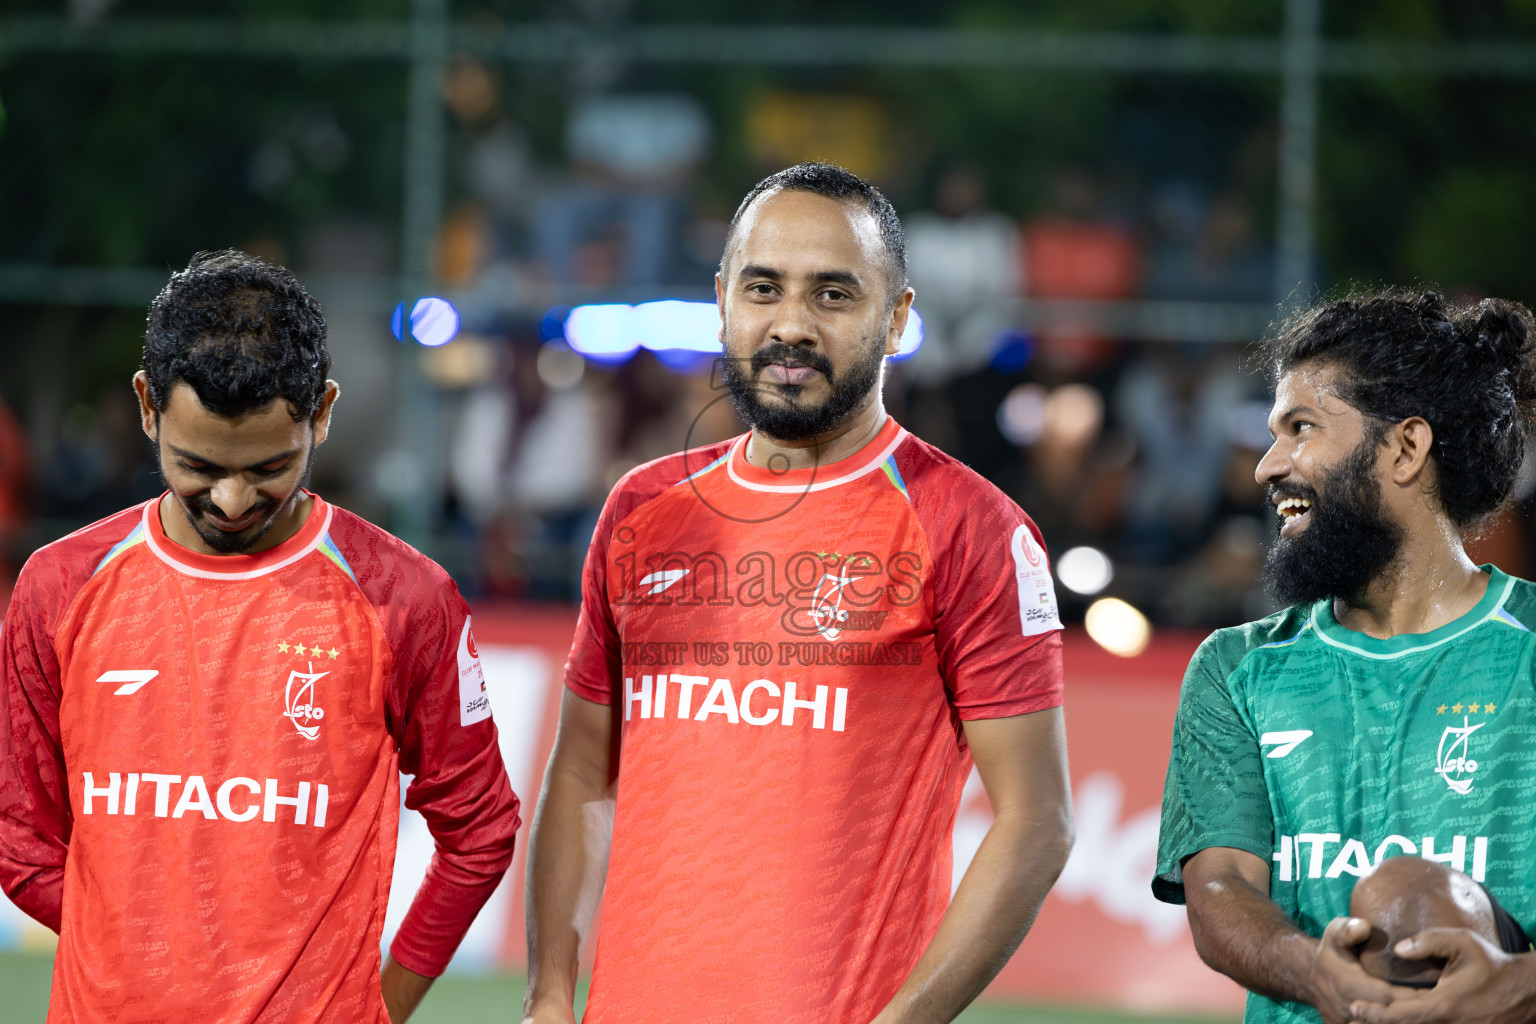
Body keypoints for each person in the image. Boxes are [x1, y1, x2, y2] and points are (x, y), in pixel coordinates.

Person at [523, 162, 1074, 1024]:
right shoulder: (641, 510)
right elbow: (585, 773)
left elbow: (1037, 822)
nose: (791, 325)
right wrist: (551, 993)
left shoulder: (971, 527)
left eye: (833, 296)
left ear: (895, 320)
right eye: (764, 288)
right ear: (722, 302)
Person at [0, 251, 521, 1023]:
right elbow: (20, 839)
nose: (235, 499)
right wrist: (136, 957)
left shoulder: (405, 599)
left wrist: (382, 1002)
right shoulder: (58, 587)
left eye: (271, 467)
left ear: (323, 413)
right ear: (148, 406)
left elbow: (481, 831)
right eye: (198, 466)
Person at [1154, 289, 1536, 1024]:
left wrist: (1518, 986)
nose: (1268, 466)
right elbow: (1220, 891)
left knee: (1408, 899)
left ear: (1404, 448)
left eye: (1301, 428)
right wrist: (1314, 973)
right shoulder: (1236, 668)